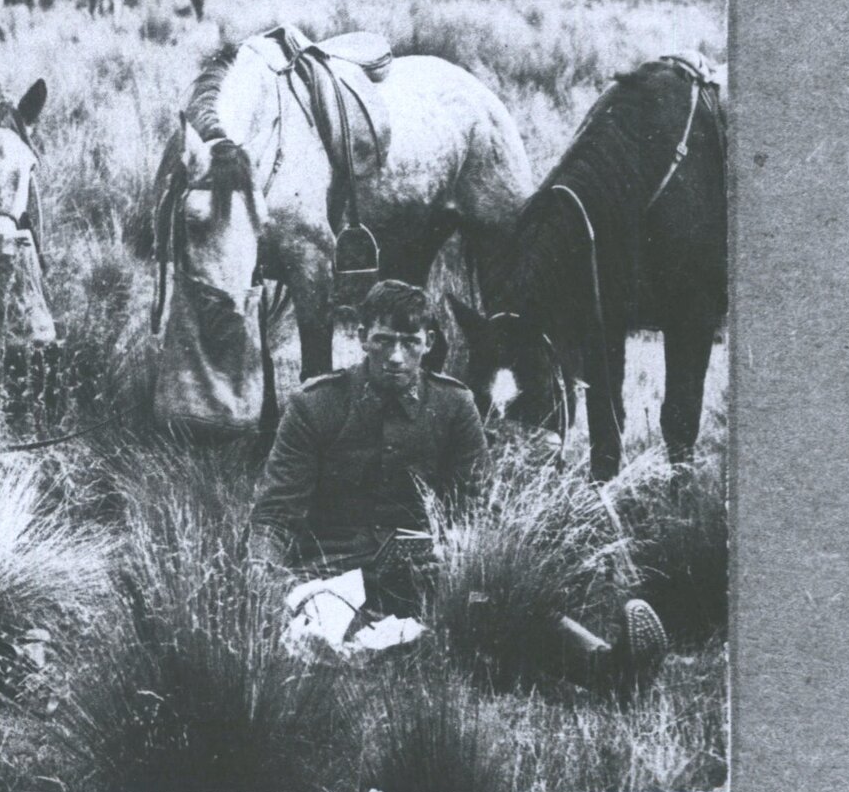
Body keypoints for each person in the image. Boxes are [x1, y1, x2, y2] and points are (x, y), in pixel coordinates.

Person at [249, 279, 665, 690]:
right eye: (383, 340)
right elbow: (275, 515)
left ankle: (610, 669)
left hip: (422, 575)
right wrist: (266, 582)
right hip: (334, 578)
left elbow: (479, 508)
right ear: (361, 338)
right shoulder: (315, 405)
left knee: (499, 599)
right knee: (323, 632)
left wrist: (458, 555)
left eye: (409, 341)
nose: (396, 356)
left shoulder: (452, 405)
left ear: (428, 342)